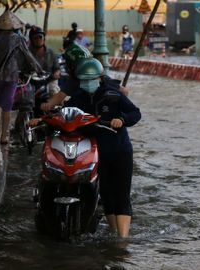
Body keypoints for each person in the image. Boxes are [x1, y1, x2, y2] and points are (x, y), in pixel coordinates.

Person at [32, 45, 140, 238]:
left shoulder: (113, 94)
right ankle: (114, 234)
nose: (87, 83)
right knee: (106, 195)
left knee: (121, 194)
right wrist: (41, 120)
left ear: (100, 78)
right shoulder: (78, 98)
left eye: (91, 80)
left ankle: (122, 241)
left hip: (120, 150)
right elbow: (63, 114)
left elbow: (135, 113)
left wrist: (121, 120)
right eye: (84, 80)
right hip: (96, 153)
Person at [0, 10, 42, 144]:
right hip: (11, 76)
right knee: (7, 105)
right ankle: (4, 136)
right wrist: (39, 69)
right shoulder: (18, 38)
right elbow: (28, 56)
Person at [29, 25, 61, 97]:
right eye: (35, 38)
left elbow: (57, 68)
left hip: (50, 79)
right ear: (31, 40)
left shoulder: (51, 52)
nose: (38, 39)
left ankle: (57, 106)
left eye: (40, 37)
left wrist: (56, 73)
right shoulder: (27, 53)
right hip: (32, 81)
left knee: (53, 90)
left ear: (44, 38)